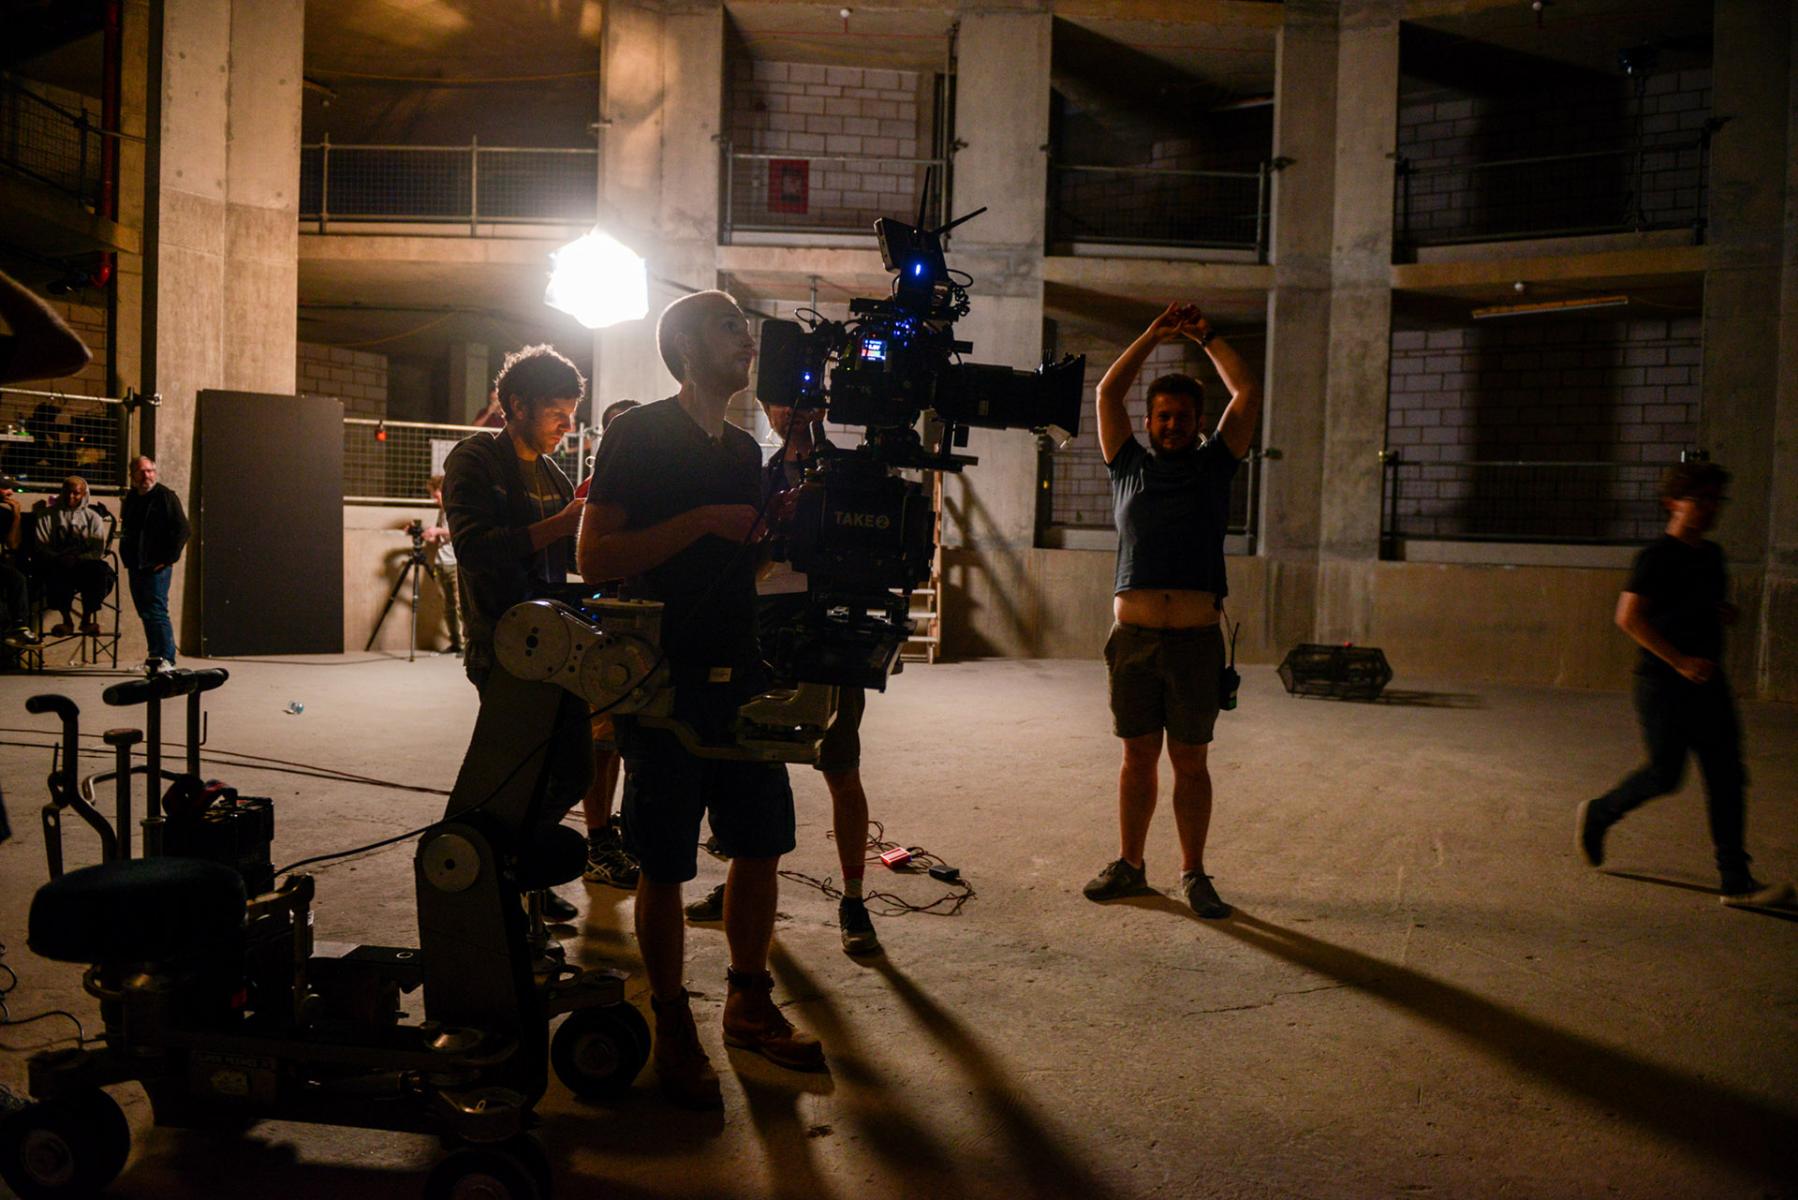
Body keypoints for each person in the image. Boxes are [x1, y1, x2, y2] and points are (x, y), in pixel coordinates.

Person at [580, 290, 825, 1110]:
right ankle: (672, 1017)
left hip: (738, 668)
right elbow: (593, 556)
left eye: (747, 330)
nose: (748, 341)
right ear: (685, 347)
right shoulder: (638, 433)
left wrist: (770, 529)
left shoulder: (744, 449)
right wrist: (702, 521)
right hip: (663, 678)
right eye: (730, 327)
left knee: (760, 845)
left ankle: (748, 1003)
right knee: (663, 862)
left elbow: (739, 564)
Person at [683, 395, 881, 956]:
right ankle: (741, 880)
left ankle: (853, 898)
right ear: (766, 407)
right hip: (766, 627)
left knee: (841, 764)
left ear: (822, 408)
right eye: (777, 402)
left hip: (831, 626)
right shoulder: (755, 471)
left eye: (801, 402)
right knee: (751, 766)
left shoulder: (845, 469)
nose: (789, 412)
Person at [1083, 302, 1261, 919]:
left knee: (1190, 762)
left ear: (1198, 422)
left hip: (1193, 643)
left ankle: (1193, 873)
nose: (1172, 425)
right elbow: (1107, 392)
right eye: (1163, 416)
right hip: (1133, 640)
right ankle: (1131, 865)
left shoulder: (1216, 465)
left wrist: (1205, 335)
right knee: (1137, 757)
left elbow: (1247, 391)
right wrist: (1153, 334)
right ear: (1149, 421)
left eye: (1182, 417)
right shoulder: (1126, 465)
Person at [1576, 461, 1790, 907]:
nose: (1711, 508)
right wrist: (1679, 662)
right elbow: (1628, 618)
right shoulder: (1657, 557)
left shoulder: (1712, 555)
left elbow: (1694, 605)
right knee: (1665, 774)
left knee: (1727, 776)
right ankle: (1599, 813)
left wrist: (1721, 613)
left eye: (1716, 499)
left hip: (1709, 682)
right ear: (1672, 502)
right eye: (1701, 499)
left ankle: (1736, 881)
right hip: (1662, 684)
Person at [442, 344, 591, 924]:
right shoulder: (476, 460)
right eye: (557, 413)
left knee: (570, 771)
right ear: (517, 405)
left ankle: (517, 869)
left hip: (555, 643)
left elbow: (566, 557)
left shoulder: (554, 473)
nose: (566, 427)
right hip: (503, 643)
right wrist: (562, 522)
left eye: (571, 415)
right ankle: (496, 888)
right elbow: (476, 550)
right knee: (512, 777)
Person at [572, 398, 641, 890]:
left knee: (641, 741)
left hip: (651, 634)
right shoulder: (589, 494)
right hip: (604, 633)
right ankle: (599, 842)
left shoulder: (663, 490)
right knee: (603, 741)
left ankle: (629, 836)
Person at [120, 456, 189, 668]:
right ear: (132, 475)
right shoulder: (132, 498)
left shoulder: (165, 497)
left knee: (157, 611)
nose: (146, 476)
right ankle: (154, 658)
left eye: (150, 471)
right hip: (136, 563)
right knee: (146, 612)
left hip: (156, 565)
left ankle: (167, 659)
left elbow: (183, 529)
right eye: (141, 472)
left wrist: (168, 558)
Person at [31, 475, 114, 637]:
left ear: (83, 494)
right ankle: (66, 621)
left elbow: (97, 550)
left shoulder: (93, 517)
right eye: (67, 492)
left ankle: (87, 619)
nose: (71, 496)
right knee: (54, 571)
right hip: (57, 561)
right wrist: (59, 557)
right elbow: (41, 545)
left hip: (84, 563)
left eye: (76, 493)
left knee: (100, 571)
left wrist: (78, 558)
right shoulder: (46, 515)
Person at [422, 474, 462, 656]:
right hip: (441, 562)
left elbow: (459, 531)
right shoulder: (442, 512)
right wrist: (430, 535)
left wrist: (438, 530)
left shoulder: (457, 509)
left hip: (454, 563)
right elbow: (442, 536)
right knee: (448, 606)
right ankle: (455, 643)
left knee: (460, 606)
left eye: (435, 494)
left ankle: (467, 645)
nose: (434, 499)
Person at [0, 475, 39, 649]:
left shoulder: (3, 514)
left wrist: (16, 515)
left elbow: (13, 544)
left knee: (17, 578)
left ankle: (19, 628)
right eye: (5, 488)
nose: (10, 492)